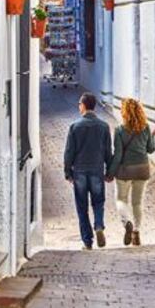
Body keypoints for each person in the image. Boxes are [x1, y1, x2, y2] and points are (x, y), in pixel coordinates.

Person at [107, 98, 155, 246]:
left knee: (121, 199)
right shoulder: (146, 127)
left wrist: (110, 173)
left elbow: (117, 155)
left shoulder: (119, 130)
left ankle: (127, 222)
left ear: (124, 112)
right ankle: (136, 233)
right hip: (142, 169)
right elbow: (150, 149)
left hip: (125, 171)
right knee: (137, 203)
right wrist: (153, 136)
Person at [64, 92, 113, 250]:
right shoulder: (104, 126)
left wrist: (68, 172)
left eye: (79, 103)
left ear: (84, 105)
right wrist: (109, 172)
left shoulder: (75, 126)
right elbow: (108, 151)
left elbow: (69, 152)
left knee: (82, 206)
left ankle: (87, 241)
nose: (79, 106)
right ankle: (99, 225)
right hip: (97, 170)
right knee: (98, 202)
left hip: (80, 172)